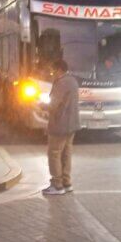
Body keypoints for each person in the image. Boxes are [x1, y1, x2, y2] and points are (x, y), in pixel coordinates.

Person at [42, 59, 81, 196]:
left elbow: (54, 104)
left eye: (53, 71)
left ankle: (57, 184)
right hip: (72, 124)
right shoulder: (73, 81)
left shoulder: (61, 82)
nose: (52, 74)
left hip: (60, 124)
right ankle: (66, 182)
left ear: (59, 70)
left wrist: (42, 106)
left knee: (54, 153)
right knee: (66, 153)